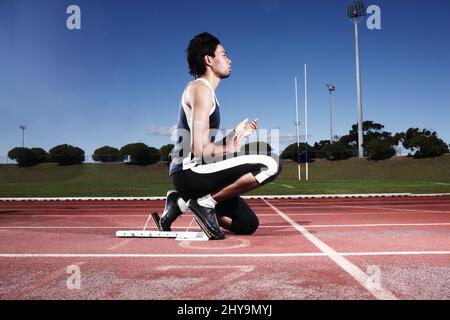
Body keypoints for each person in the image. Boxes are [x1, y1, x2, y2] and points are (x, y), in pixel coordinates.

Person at [160, 32, 281, 240]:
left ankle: (179, 203)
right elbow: (199, 149)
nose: (229, 60)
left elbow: (204, 146)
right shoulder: (201, 90)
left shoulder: (206, 92)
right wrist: (229, 149)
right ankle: (204, 203)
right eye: (224, 55)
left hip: (194, 173)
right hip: (189, 172)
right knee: (271, 162)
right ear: (208, 59)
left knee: (247, 224)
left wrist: (234, 136)